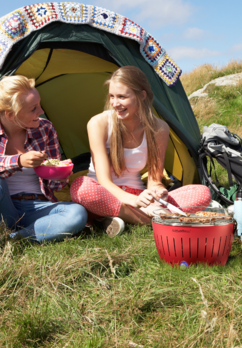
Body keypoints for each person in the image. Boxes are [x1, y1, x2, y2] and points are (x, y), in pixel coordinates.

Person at [0, 75, 88, 278]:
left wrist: (59, 174)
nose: (40, 112)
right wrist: (18, 161)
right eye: (33, 108)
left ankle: (13, 239)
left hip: (37, 206)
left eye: (39, 105)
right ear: (11, 114)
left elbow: (56, 186)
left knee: (77, 214)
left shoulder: (45, 128)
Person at [70, 66, 211, 236]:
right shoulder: (98, 123)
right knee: (81, 187)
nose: (115, 103)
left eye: (122, 97)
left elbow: (154, 178)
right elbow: (104, 181)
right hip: (104, 193)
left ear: (142, 95)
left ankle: (110, 219)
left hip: (139, 196)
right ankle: (148, 220)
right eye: (112, 96)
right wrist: (133, 201)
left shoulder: (159, 128)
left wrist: (158, 191)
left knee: (202, 193)